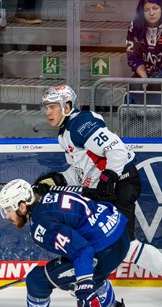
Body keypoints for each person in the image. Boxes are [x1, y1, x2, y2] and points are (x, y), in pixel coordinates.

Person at [0, 179, 162, 307]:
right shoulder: (48, 197)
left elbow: (82, 251)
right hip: (119, 233)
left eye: (8, 209)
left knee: (37, 279)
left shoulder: (40, 224)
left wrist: (85, 285)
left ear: (22, 206)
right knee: (78, 270)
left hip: (103, 250)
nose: (7, 216)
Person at [34, 84, 142, 241]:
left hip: (121, 183)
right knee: (103, 241)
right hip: (107, 187)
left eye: (52, 107)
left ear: (67, 106)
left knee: (123, 243)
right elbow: (80, 170)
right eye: (46, 107)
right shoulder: (64, 133)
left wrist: (109, 177)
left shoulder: (80, 124)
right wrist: (58, 180)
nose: (47, 112)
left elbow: (117, 149)